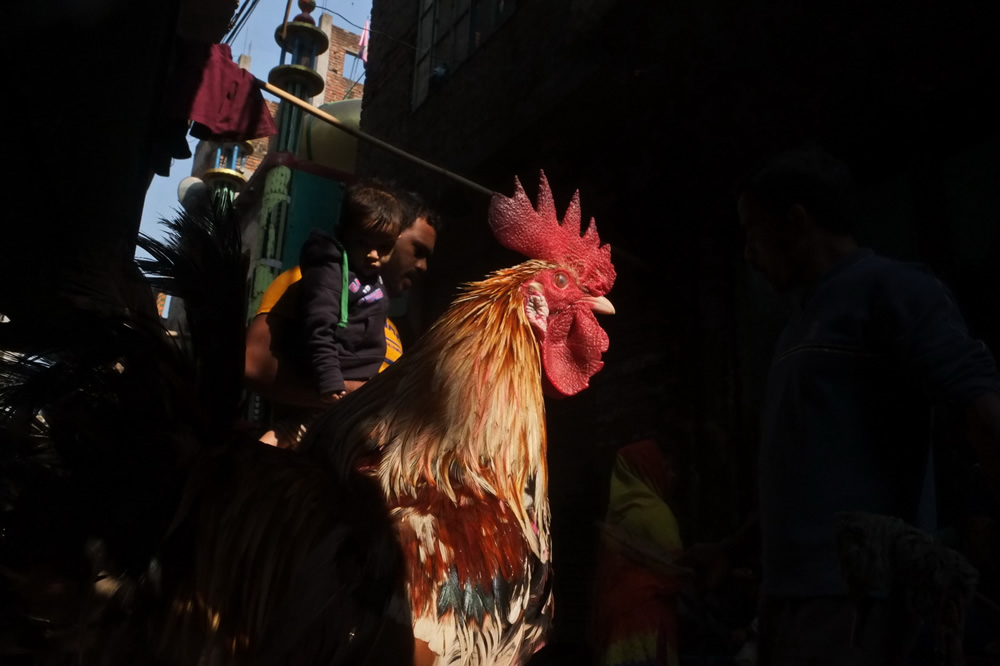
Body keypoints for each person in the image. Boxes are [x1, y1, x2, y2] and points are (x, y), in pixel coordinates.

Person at [735, 147, 1000, 665]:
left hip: (859, 601)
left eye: (753, 233)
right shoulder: (798, 325)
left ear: (795, 222)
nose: (749, 253)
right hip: (790, 597)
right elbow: (808, 465)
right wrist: (735, 549)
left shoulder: (894, 290)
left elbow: (983, 417)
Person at [244, 185, 440, 445]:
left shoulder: (389, 325)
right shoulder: (306, 281)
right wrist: (350, 395)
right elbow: (252, 365)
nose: (423, 266)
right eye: (418, 250)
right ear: (387, 230)